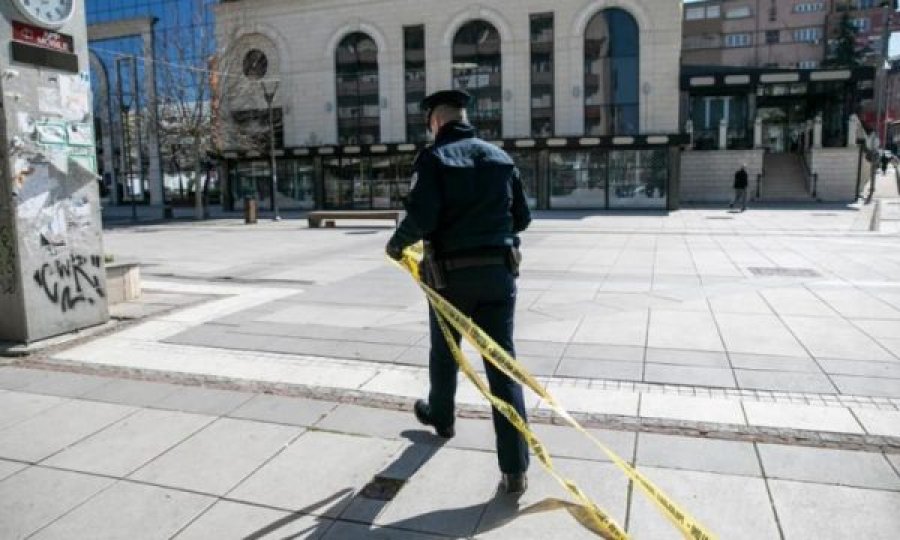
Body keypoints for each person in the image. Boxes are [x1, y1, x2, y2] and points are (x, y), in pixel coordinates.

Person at [385, 89, 532, 495]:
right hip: (500, 275)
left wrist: (396, 245)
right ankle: (515, 469)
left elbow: (422, 216)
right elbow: (523, 218)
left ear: (435, 120)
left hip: (449, 277)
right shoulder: (501, 158)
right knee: (503, 367)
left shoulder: (433, 158)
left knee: (445, 351)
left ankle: (443, 418)